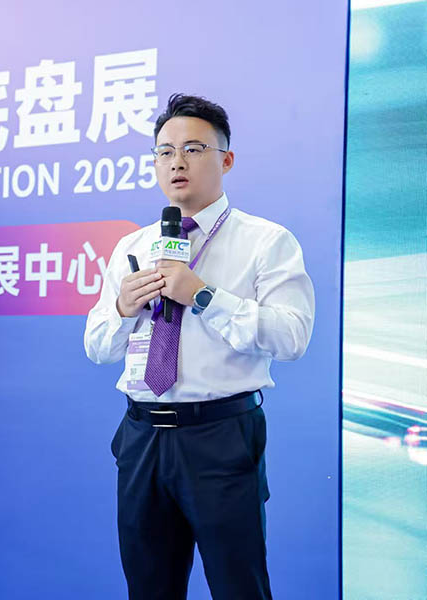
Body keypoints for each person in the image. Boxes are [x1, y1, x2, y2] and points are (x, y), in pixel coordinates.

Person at [84, 93, 315, 599]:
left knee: (238, 587)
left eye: (192, 149)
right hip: (141, 436)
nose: (176, 162)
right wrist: (122, 307)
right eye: (164, 152)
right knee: (149, 588)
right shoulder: (132, 246)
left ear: (226, 160)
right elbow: (98, 347)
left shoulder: (266, 241)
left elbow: (292, 336)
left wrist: (204, 296)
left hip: (220, 437)